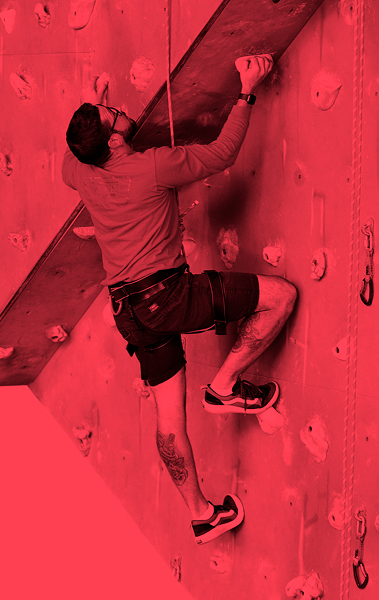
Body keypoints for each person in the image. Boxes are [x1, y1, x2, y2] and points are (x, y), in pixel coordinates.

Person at [62, 55, 297, 545]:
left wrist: (95, 113)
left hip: (129, 312)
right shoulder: (153, 167)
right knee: (280, 296)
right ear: (114, 139)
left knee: (169, 418)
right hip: (164, 295)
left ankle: (203, 515)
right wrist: (247, 88)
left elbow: (71, 158)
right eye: (112, 114)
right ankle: (226, 387)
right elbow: (223, 153)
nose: (119, 109)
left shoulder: (82, 173)